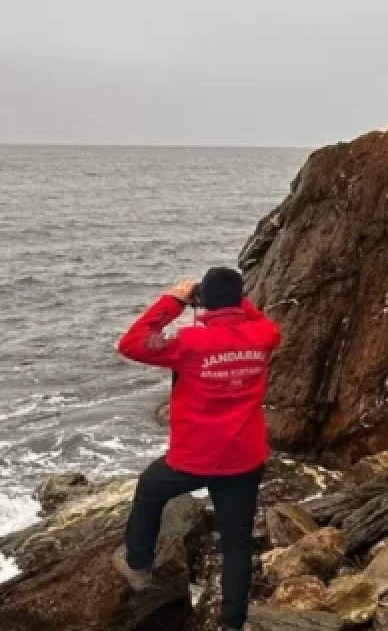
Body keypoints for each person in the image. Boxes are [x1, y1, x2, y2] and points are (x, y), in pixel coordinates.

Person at [112, 267, 280, 631]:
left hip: (195, 457)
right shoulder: (264, 334)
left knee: (150, 490)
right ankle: (233, 622)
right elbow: (254, 318)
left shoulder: (190, 342)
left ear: (205, 301)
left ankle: (138, 566)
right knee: (236, 543)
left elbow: (131, 343)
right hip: (244, 457)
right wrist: (233, 303)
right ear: (240, 299)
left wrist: (174, 301)